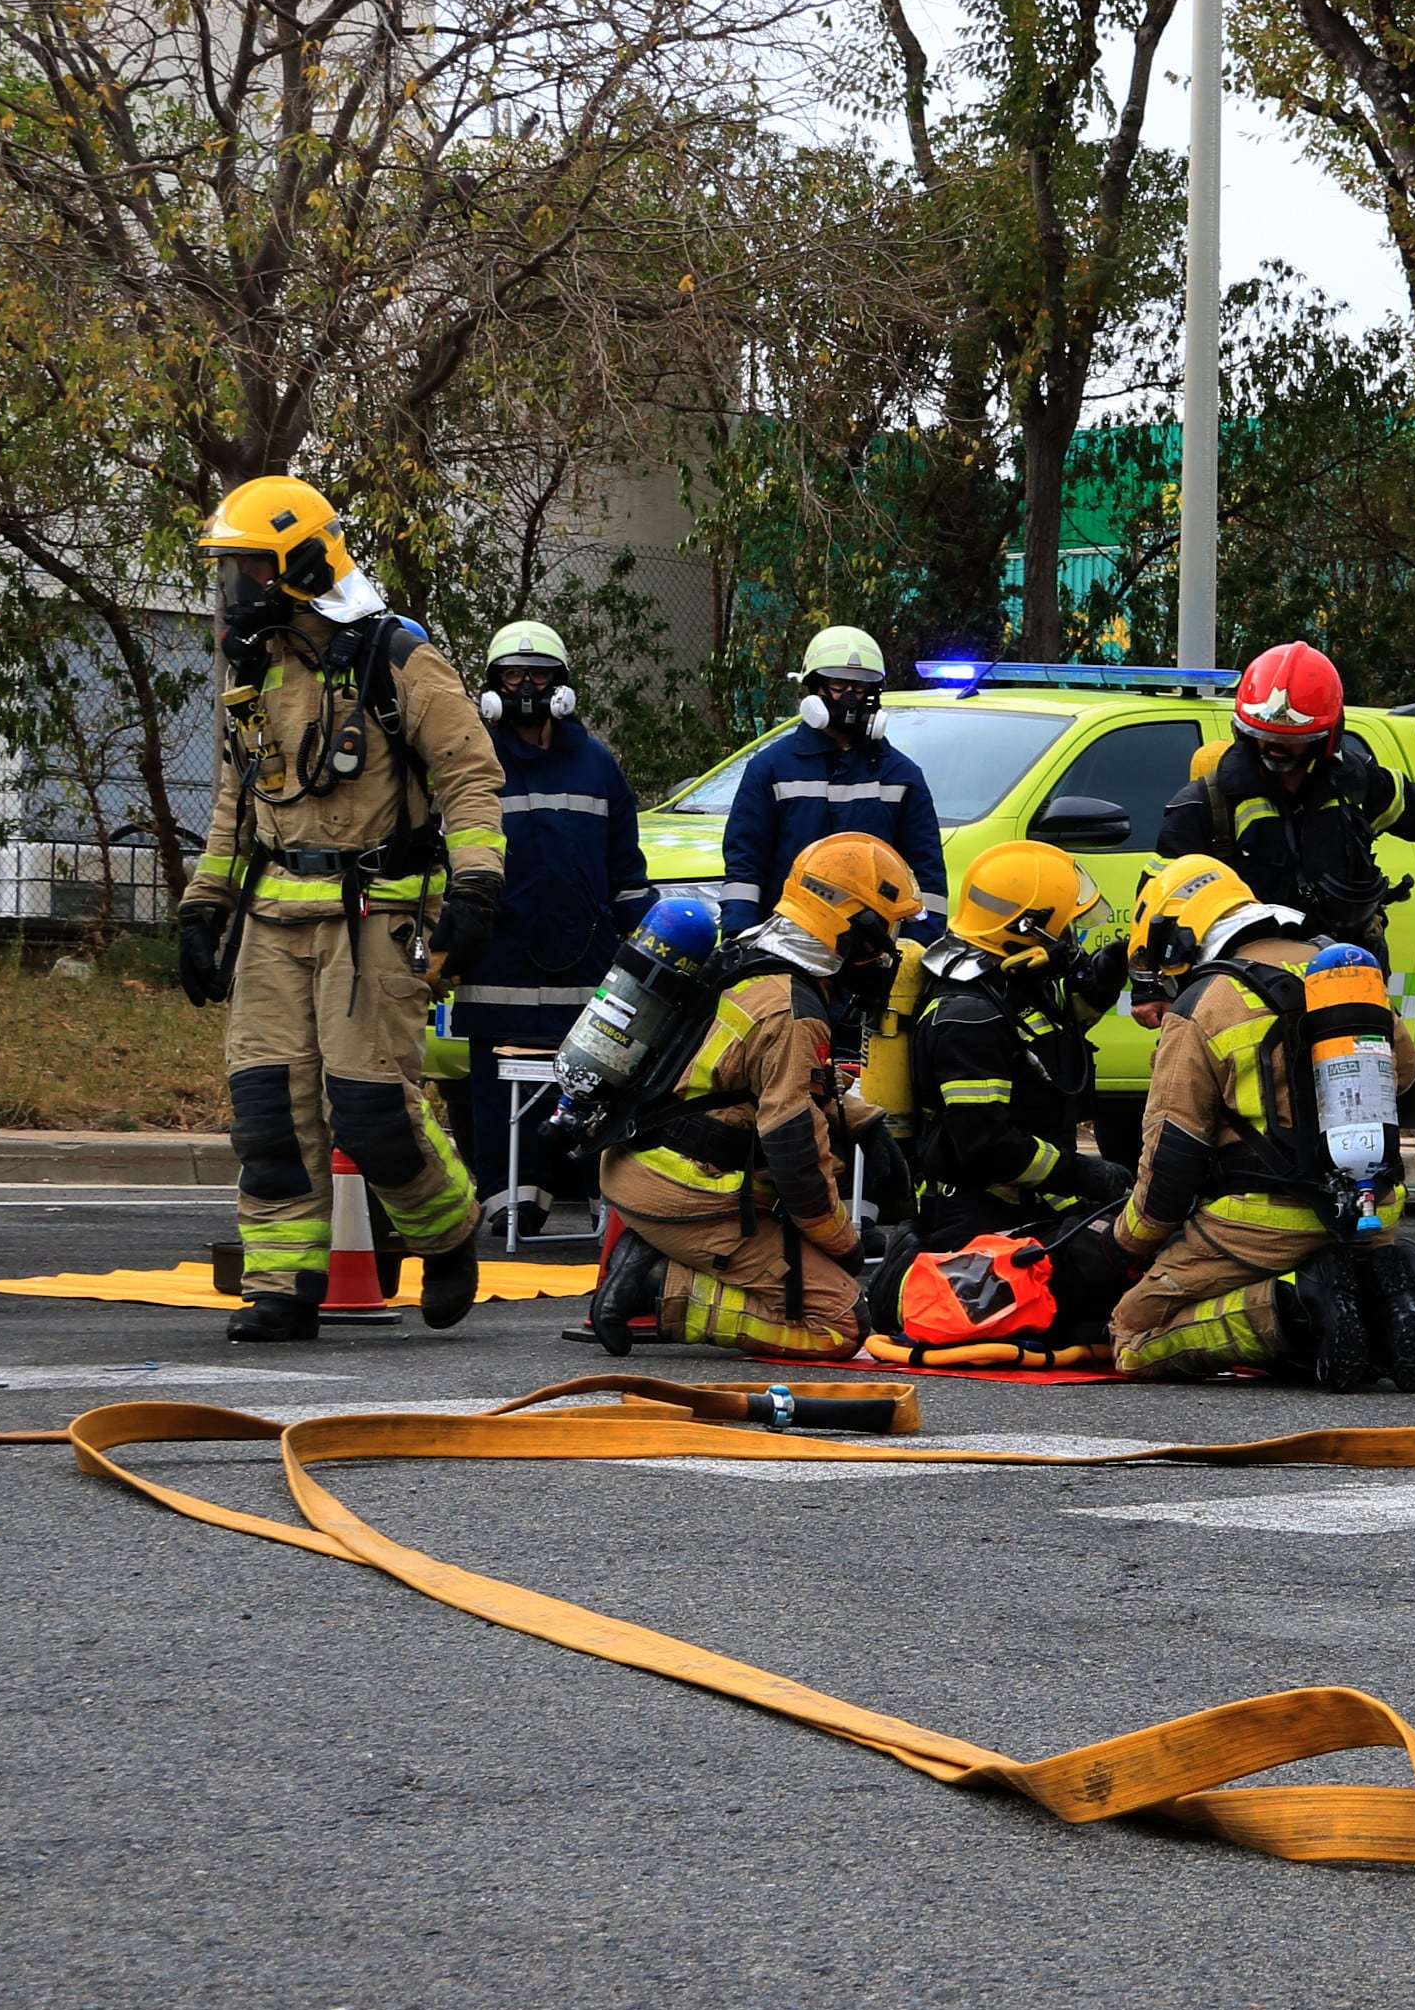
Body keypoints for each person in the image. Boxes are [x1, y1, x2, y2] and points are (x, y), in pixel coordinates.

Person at [170, 475, 504, 1343]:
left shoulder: (397, 660)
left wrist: (474, 888)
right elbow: (234, 802)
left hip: (372, 925)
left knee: (372, 1113)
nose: (231, 591)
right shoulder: (254, 666)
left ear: (302, 568)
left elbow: (469, 776)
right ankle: (282, 1285)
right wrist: (201, 908)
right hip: (272, 926)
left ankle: (449, 1230)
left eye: (245, 571)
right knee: (268, 1111)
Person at [1071, 853, 1415, 1387]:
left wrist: (1122, 1244)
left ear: (1180, 935)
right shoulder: (1341, 972)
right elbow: (1408, 1078)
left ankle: (1297, 1304)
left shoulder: (1204, 1003)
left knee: (1132, 1335)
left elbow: (1171, 1166)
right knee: (1346, 1276)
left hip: (1263, 1225)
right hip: (1371, 1209)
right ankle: (1369, 1298)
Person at [583, 832, 913, 1358]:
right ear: (857, 931)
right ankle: (658, 1287)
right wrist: (842, 1244)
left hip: (638, 1164)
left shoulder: (750, 952)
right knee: (841, 1325)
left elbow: (750, 1080)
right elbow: (795, 1156)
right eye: (887, 932)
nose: (888, 952)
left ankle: (656, 1252)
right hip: (690, 1192)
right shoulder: (794, 1009)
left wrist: (863, 1121)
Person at [444, 619, 649, 1238]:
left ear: (561, 685)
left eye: (538, 675)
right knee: (494, 1089)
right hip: (498, 965)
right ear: (493, 685)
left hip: (587, 966)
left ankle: (598, 1195)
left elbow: (625, 868)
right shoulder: (473, 763)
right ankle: (512, 1197)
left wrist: (644, 946)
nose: (526, 685)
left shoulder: (596, 765)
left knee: (595, 1084)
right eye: (513, 675)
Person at [900, 840, 1140, 1347]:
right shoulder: (968, 1018)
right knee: (1103, 1287)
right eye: (1065, 930)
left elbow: (1053, 1032)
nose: (1072, 941)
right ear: (1026, 933)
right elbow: (987, 1145)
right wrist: (1087, 1173)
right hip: (978, 1221)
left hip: (1031, 1206)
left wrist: (1108, 971)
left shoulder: (1009, 984)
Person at [1155, 638, 1415, 962]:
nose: (1272, 746)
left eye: (1290, 740)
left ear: (1325, 739)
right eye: (1263, 735)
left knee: (1386, 1022)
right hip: (1248, 984)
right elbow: (1160, 900)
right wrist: (1150, 987)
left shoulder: (1354, 784)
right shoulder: (1204, 805)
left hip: (1348, 975)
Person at [721, 626, 941, 943]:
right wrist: (741, 937)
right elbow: (746, 864)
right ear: (814, 689)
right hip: (787, 941)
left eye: (861, 686)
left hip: (872, 948)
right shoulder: (771, 768)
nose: (850, 697)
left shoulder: (901, 775)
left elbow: (926, 873)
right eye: (838, 684)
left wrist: (918, 946)